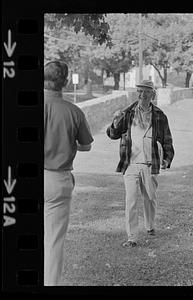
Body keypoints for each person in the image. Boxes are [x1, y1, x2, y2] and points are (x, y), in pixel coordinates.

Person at [106, 79, 174, 247]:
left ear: (152, 94)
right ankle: (132, 237)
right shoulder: (128, 113)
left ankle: (150, 226)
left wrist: (167, 158)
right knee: (131, 200)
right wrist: (115, 123)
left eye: (146, 92)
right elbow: (113, 134)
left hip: (150, 163)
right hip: (130, 163)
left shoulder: (159, 115)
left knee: (150, 197)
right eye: (140, 92)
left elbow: (167, 140)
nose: (142, 95)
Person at [44, 61, 94, 285]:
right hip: (57, 179)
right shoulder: (73, 111)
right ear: (64, 83)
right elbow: (86, 146)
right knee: (53, 241)